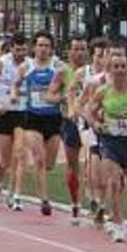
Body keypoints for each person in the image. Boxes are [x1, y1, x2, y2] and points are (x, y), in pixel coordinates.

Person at [87, 52, 127, 242]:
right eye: (116, 67)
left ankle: (109, 207)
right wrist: (96, 124)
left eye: (123, 67)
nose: (120, 70)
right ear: (109, 70)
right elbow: (89, 112)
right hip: (110, 141)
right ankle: (118, 224)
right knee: (113, 182)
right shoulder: (103, 91)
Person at [11, 30, 64, 216]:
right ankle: (44, 200)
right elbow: (15, 85)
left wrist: (61, 97)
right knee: (39, 158)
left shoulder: (58, 67)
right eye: (40, 45)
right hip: (32, 117)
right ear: (34, 47)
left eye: (46, 46)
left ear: (51, 49)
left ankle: (38, 182)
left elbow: (69, 87)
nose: (43, 49)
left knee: (49, 164)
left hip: (53, 118)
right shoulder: (26, 67)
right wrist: (15, 95)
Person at [0, 33, 29, 209]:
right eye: (18, 49)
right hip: (4, 113)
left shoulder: (29, 65)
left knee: (20, 153)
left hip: (23, 113)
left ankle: (14, 193)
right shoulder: (1, 63)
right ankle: (0, 178)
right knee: (5, 160)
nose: (21, 53)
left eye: (24, 49)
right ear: (12, 48)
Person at [45, 33, 88, 224]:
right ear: (69, 52)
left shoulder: (93, 71)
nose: (80, 53)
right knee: (73, 164)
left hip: (91, 122)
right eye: (76, 49)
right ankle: (75, 203)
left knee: (92, 162)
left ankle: (95, 200)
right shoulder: (63, 72)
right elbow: (49, 96)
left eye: (83, 49)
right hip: (70, 122)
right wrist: (63, 99)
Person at [73, 36, 110, 222]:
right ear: (92, 55)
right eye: (98, 55)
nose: (101, 59)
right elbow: (72, 92)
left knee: (102, 165)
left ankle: (99, 201)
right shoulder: (83, 74)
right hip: (87, 122)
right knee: (90, 160)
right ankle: (93, 197)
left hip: (105, 122)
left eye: (104, 55)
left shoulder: (113, 75)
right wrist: (74, 109)